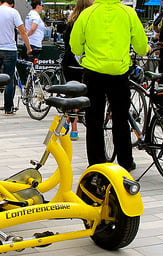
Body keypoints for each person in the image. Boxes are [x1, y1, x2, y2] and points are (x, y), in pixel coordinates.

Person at [70, 0, 149, 171]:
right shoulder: (128, 13)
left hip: (93, 72)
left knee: (94, 119)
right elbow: (141, 48)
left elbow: (75, 47)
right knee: (121, 118)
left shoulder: (87, 13)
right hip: (119, 73)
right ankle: (126, 162)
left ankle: (97, 163)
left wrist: (85, 53)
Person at [0, 0, 32, 115]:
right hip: (9, 49)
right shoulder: (13, 12)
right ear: (12, 3)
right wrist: (28, 48)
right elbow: (22, 31)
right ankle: (8, 108)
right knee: (9, 79)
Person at [61, 0, 93, 141]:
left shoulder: (71, 23)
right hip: (84, 63)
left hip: (69, 63)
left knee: (72, 95)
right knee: (82, 96)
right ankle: (73, 127)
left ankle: (68, 122)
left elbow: (66, 42)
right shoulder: (90, 21)